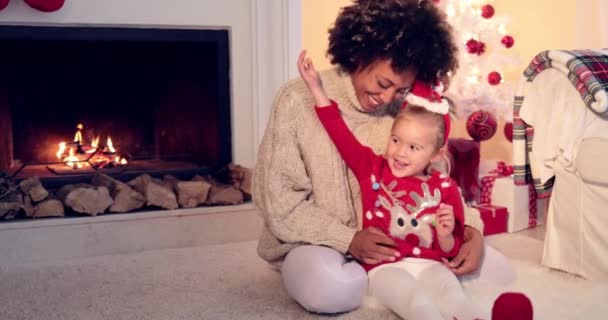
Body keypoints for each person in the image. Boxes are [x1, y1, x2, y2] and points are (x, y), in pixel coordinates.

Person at [253, 0, 514, 314]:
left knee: (497, 272)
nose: (389, 98)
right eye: (383, 83)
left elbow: (437, 184)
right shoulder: (296, 99)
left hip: (405, 245)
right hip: (319, 246)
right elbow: (280, 204)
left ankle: (399, 280)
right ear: (359, 54)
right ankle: (385, 281)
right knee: (330, 289)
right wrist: (348, 239)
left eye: (400, 89)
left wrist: (470, 231)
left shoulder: (410, 107)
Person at [298, 50, 484, 319]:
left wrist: (445, 234)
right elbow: (341, 135)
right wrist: (316, 88)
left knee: (452, 294)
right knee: (415, 300)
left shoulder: (445, 188)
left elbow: (452, 250)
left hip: (431, 263)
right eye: (396, 140)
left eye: (413, 147)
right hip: (385, 269)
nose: (400, 152)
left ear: (434, 155)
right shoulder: (372, 168)